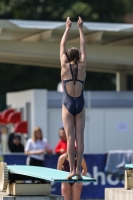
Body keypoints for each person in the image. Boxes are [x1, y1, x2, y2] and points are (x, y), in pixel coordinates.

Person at [60, 16, 86, 179]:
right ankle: (78, 171)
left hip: (68, 104)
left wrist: (68, 28)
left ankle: (71, 171)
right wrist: (81, 28)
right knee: (80, 137)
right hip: (80, 104)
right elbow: (84, 46)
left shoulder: (64, 65)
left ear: (68, 57)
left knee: (70, 138)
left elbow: (62, 45)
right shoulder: (82, 65)